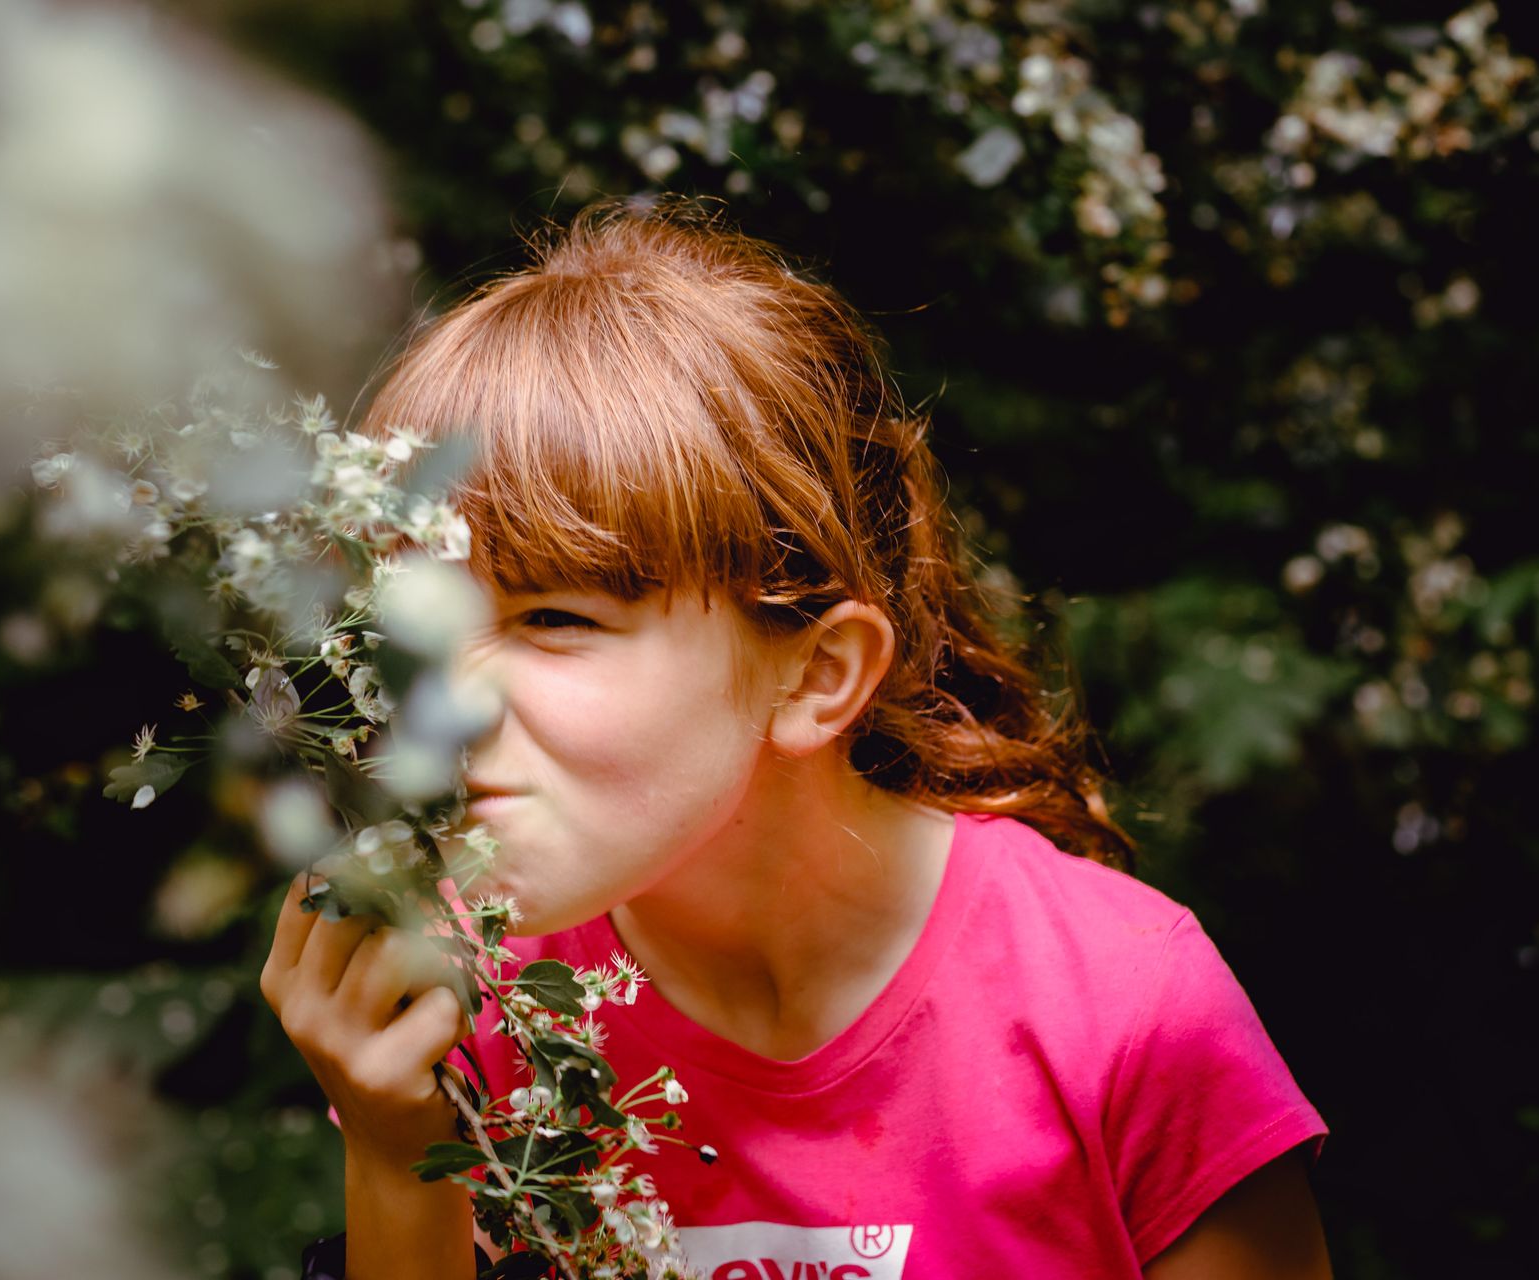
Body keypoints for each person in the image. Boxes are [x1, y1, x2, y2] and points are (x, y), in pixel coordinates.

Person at [258, 198, 1331, 1280]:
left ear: (817, 676)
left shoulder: (1127, 1015)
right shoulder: (464, 1006)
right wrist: (402, 1156)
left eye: (555, 618)